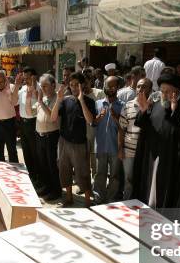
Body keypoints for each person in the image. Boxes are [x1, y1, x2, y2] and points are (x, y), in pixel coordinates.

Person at [132, 72, 180, 208]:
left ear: (177, 91)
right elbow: (143, 126)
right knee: (150, 188)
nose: (165, 95)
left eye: (168, 91)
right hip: (153, 155)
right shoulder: (155, 104)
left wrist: (174, 112)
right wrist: (143, 111)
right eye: (162, 91)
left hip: (173, 159)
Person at [51, 72, 96, 206]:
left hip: (79, 144)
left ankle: (88, 201)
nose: (74, 87)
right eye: (71, 85)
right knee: (64, 171)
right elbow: (53, 118)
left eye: (77, 85)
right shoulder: (65, 100)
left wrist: (81, 100)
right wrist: (58, 99)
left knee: (83, 173)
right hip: (64, 141)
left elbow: (90, 121)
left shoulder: (89, 101)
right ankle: (69, 198)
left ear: (82, 85)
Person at [27, 74, 62, 201]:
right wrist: (29, 97)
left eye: (46, 86)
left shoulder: (57, 98)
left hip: (51, 135)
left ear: (53, 85)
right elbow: (30, 112)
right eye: (42, 87)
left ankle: (56, 190)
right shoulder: (43, 99)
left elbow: (53, 118)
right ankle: (47, 186)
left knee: (52, 164)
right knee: (43, 164)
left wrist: (40, 101)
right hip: (40, 135)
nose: (43, 89)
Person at [119, 78, 152, 200]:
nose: (140, 89)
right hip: (129, 151)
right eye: (138, 86)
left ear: (150, 89)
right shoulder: (128, 105)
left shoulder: (153, 106)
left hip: (146, 152)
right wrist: (120, 148)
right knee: (129, 179)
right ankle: (127, 202)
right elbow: (121, 128)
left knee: (143, 179)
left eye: (144, 87)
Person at [93, 76, 123, 204]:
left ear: (117, 88)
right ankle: (98, 197)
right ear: (104, 86)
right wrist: (98, 118)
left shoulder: (122, 105)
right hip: (100, 145)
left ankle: (111, 198)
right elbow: (92, 123)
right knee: (100, 174)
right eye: (108, 85)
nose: (110, 89)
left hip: (115, 147)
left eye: (113, 86)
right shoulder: (98, 103)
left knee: (115, 175)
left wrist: (116, 116)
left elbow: (124, 127)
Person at [13, 67, 41, 185]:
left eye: (28, 77)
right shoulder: (23, 88)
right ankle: (31, 175)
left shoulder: (39, 87)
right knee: (26, 151)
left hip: (34, 122)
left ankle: (39, 177)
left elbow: (38, 97)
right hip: (23, 123)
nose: (26, 79)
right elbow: (14, 102)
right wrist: (16, 86)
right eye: (25, 77)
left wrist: (33, 84)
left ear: (34, 76)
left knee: (35, 152)